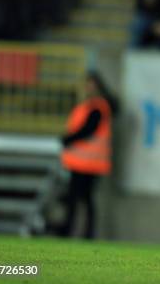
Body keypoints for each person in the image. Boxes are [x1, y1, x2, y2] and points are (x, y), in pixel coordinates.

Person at [60, 72, 118, 239]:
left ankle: (75, 231)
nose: (88, 88)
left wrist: (68, 139)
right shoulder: (88, 105)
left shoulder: (98, 106)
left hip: (88, 163)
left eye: (91, 84)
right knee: (82, 199)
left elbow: (88, 129)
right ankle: (81, 231)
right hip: (81, 162)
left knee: (80, 199)